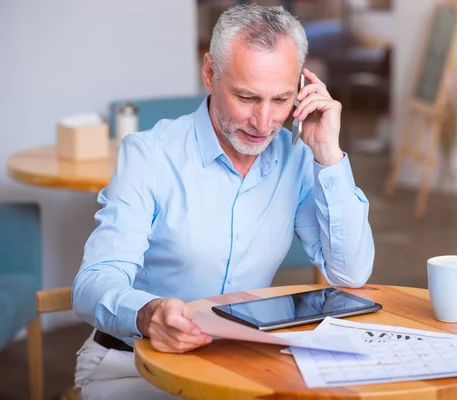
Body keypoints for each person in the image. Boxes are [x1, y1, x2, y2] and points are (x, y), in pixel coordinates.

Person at [71, 4, 374, 399]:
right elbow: (92, 284)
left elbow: (349, 274)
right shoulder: (149, 155)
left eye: (281, 100)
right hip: (134, 365)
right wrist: (147, 315)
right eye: (247, 97)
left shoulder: (298, 156)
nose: (264, 123)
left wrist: (329, 156)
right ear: (210, 73)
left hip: (238, 367)